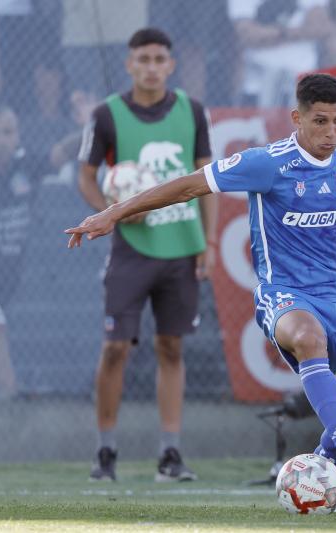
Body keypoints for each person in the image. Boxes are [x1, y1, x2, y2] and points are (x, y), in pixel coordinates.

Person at [66, 73, 336, 502]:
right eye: (320, 120)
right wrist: (113, 213)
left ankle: (317, 472)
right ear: (296, 119)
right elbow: (187, 187)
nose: (331, 131)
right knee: (307, 338)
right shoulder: (266, 163)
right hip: (284, 293)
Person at [76, 28, 218, 483]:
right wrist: (111, 212)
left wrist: (208, 242)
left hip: (181, 245)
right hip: (131, 251)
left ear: (171, 65)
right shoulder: (106, 115)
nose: (152, 66)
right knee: (116, 348)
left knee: (171, 346)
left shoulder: (193, 111)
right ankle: (105, 452)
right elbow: (85, 175)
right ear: (129, 64)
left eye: (160, 58)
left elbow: (207, 179)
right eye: (144, 59)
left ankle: (170, 455)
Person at [0, 104, 34, 398]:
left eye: (6, 132)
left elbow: (60, 154)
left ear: (17, 137)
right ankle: (15, 405)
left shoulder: (24, 168)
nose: (0, 139)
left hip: (4, 279)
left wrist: (95, 123)